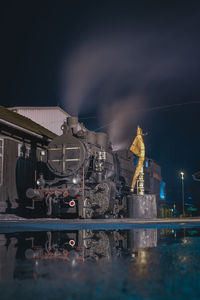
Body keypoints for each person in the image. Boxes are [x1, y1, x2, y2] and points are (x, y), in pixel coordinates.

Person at [130, 125, 145, 192]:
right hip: (141, 157)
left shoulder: (141, 138)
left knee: (140, 174)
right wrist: (138, 153)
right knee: (136, 173)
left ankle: (134, 187)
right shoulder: (137, 137)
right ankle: (132, 187)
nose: (137, 132)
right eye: (137, 131)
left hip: (143, 158)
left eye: (138, 131)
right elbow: (132, 148)